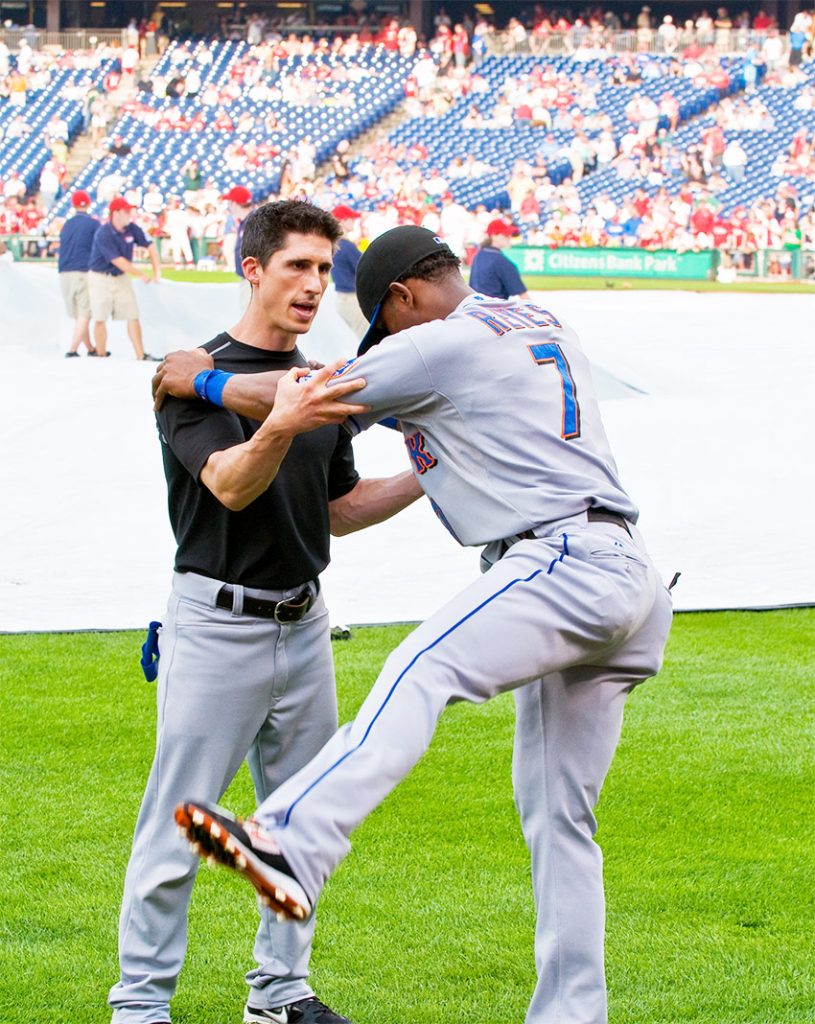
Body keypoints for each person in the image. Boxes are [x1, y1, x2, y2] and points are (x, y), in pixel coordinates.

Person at [159, 225, 674, 1024]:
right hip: (631, 575)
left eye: (385, 323)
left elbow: (304, 398)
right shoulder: (537, 321)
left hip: (560, 560)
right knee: (559, 820)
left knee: (419, 669)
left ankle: (294, 837)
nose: (388, 341)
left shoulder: (436, 341)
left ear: (401, 297)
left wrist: (205, 379)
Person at [113, 201, 422, 1024]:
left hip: (306, 623)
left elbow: (340, 507)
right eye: (297, 266)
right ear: (252, 269)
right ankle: (139, 1007)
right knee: (180, 825)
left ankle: (280, 997)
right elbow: (229, 483)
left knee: (302, 826)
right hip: (217, 622)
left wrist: (428, 474)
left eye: (325, 270)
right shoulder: (192, 372)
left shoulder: (314, 380)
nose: (315, 285)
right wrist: (281, 423)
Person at [88, 197, 161, 360]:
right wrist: (141, 274)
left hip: (121, 277)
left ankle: (141, 355)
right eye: (126, 211)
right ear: (116, 213)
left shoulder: (132, 229)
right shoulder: (103, 233)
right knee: (100, 317)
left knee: (132, 314)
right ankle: (101, 353)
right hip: (100, 277)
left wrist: (156, 270)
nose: (130, 215)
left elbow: (151, 245)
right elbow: (118, 260)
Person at [58, 189, 100, 358]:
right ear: (88, 204)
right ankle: (72, 349)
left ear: (73, 204)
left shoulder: (67, 224)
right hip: (83, 269)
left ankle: (90, 348)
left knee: (78, 314)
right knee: (85, 312)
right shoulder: (93, 223)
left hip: (64, 270)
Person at [329, 205, 368, 339]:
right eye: (350, 218)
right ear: (343, 221)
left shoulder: (333, 244)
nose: (354, 221)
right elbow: (365, 269)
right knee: (368, 340)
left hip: (343, 299)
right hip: (352, 298)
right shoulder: (346, 246)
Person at [468, 219, 530, 300]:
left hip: (475, 308)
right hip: (494, 308)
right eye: (505, 234)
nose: (509, 237)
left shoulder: (478, 255)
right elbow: (524, 297)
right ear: (494, 236)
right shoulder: (501, 261)